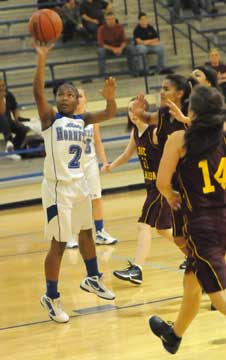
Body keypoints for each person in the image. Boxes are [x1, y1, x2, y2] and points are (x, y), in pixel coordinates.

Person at [33, 41, 117, 323]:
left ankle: (93, 277)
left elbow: (109, 114)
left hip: (79, 185)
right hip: (58, 190)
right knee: (58, 243)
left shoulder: (83, 120)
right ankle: (51, 296)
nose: (66, 97)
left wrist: (110, 98)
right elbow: (37, 93)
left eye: (70, 93)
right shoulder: (50, 119)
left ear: (77, 99)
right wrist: (42, 58)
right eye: (61, 94)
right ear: (56, 99)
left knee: (86, 234)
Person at [149, 85, 226, 354]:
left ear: (192, 111)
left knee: (218, 295)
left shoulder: (179, 140)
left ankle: (174, 335)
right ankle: (174, 335)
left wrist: (171, 196)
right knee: (192, 281)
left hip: (203, 224)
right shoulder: (223, 137)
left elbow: (161, 183)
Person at [103, 97, 172, 284]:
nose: (132, 114)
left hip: (161, 185)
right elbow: (127, 155)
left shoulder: (155, 132)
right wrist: (111, 166)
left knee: (143, 225)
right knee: (164, 229)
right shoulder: (136, 133)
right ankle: (194, 254)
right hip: (151, 186)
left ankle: (137, 270)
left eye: (136, 109)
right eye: (129, 110)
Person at [132, 75, 192, 270]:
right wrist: (139, 113)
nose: (162, 91)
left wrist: (186, 120)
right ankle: (199, 262)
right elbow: (150, 119)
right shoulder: (164, 113)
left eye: (166, 88)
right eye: (161, 88)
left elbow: (211, 130)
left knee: (197, 232)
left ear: (180, 93)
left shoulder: (191, 110)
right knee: (178, 235)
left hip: (195, 178)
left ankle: (205, 264)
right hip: (176, 182)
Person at [66, 87, 118, 248]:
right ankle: (70, 235)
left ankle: (100, 232)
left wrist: (104, 162)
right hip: (73, 166)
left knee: (96, 198)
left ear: (86, 98)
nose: (79, 99)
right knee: (73, 201)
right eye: (76, 96)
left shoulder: (92, 119)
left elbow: (97, 141)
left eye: (81, 96)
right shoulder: (66, 120)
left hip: (90, 164)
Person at [97, 12, 138, 77]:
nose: (110, 21)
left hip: (120, 48)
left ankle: (133, 71)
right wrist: (113, 49)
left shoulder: (119, 27)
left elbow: (124, 41)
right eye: (108, 19)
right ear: (105, 20)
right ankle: (103, 74)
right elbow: (101, 43)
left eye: (112, 19)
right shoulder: (101, 29)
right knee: (100, 51)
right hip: (108, 50)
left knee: (131, 48)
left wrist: (120, 48)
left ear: (115, 19)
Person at [0, 79, 30, 160]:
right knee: (2, 118)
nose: (1, 88)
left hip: (7, 122)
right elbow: (2, 111)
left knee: (23, 129)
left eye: (3, 86)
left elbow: (15, 107)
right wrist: (1, 97)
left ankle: (13, 150)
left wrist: (17, 119)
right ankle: (9, 143)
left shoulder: (9, 94)